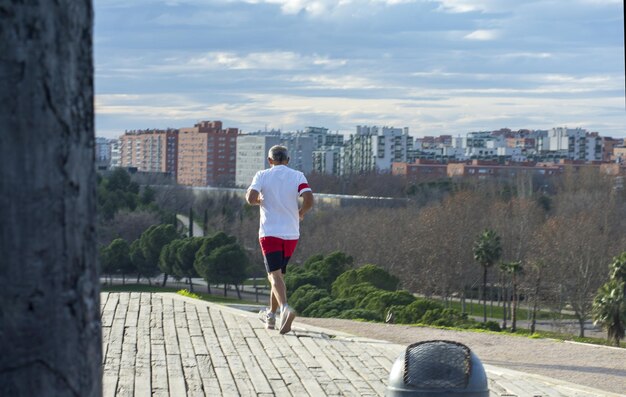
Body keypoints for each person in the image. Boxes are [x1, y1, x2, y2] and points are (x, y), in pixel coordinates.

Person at [246, 145, 314, 334]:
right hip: (292, 234)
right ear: (288, 160)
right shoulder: (298, 176)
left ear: (270, 160)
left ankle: (285, 308)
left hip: (270, 233)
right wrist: (301, 212)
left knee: (273, 276)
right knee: (279, 277)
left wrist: (261, 200)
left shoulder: (262, 175)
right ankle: (271, 316)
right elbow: (309, 198)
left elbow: (250, 198)